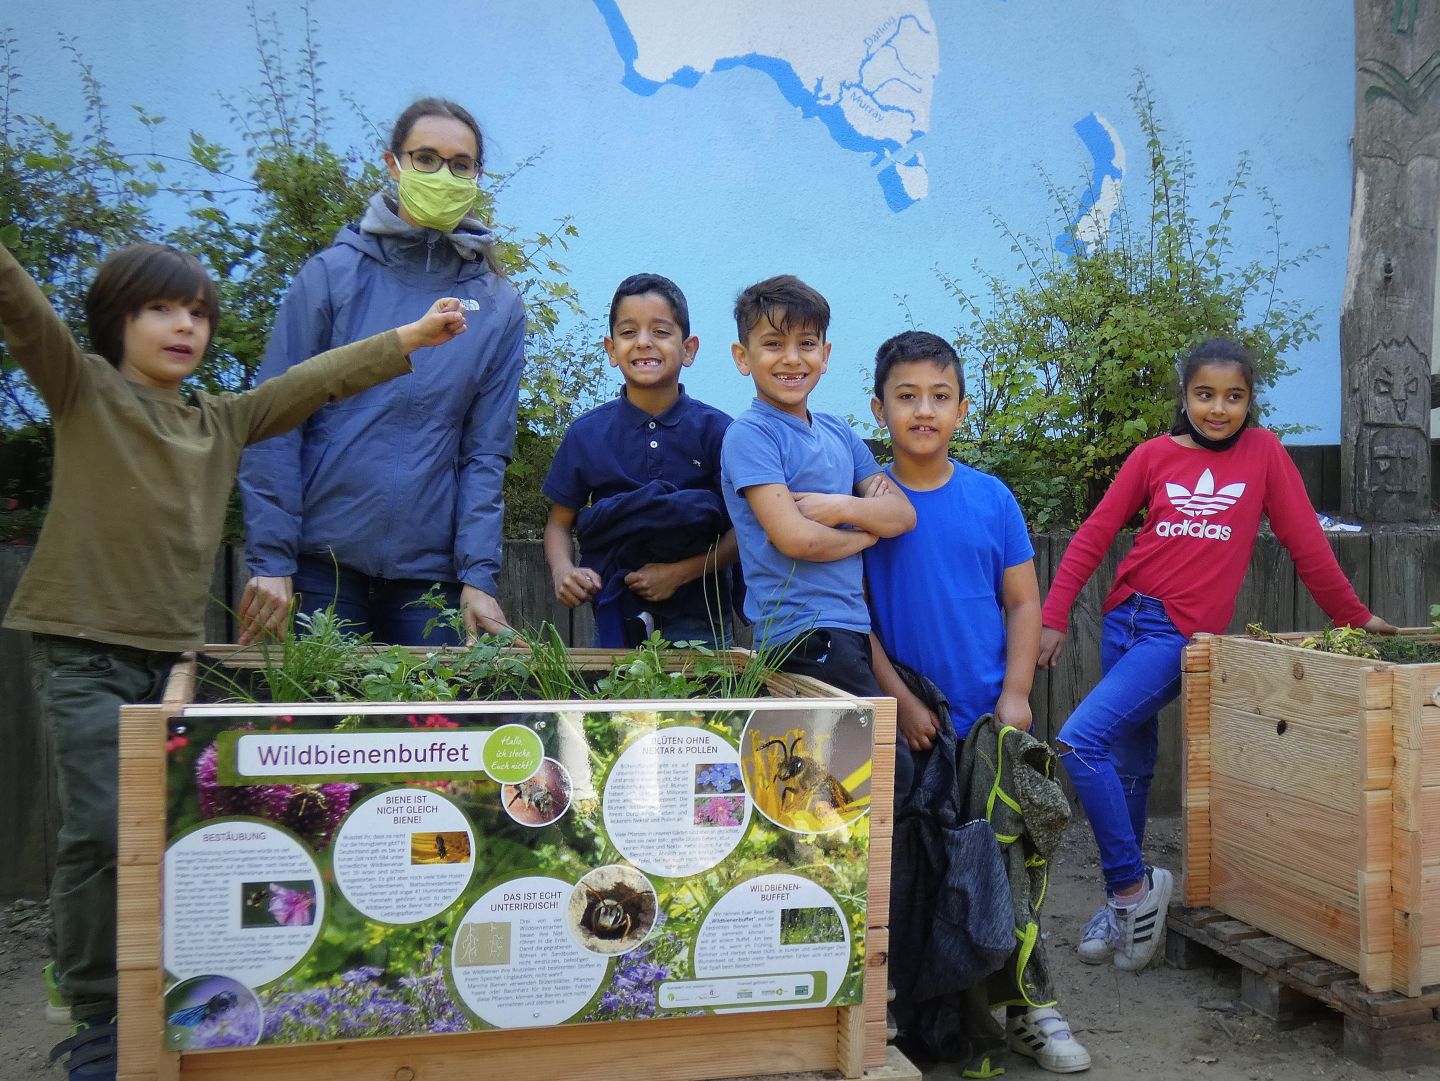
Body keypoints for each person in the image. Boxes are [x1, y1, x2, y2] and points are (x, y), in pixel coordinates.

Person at [0, 238, 466, 1080]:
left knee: (166, 834)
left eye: (197, 314)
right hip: (83, 649)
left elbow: (307, 383)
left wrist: (409, 339)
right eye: (159, 310)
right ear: (116, 322)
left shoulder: (218, 418)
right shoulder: (82, 388)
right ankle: (96, 1011)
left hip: (174, 660)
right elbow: (24, 311)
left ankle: (163, 980)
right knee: (99, 831)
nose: (183, 326)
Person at [1039, 337, 1398, 973]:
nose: (1218, 409)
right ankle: (1122, 908)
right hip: (1126, 620)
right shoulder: (1152, 456)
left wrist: (1355, 616)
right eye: (1205, 395)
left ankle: (1132, 887)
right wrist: (1054, 613)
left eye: (1234, 397)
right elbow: (1096, 533)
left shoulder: (1263, 455)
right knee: (1127, 768)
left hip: (1176, 634)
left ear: (1250, 401)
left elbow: (1304, 540)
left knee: (1079, 742)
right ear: (1185, 396)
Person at [865, 331, 1090, 1073]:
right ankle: (918, 1017)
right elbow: (854, 618)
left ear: (962, 409)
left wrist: (1017, 694)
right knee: (921, 879)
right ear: (879, 408)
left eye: (938, 396)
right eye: (906, 396)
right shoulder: (866, 503)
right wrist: (898, 700)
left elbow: (1024, 603)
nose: (922, 410)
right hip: (912, 731)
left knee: (1010, 870)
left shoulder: (992, 499)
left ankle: (1031, 1005)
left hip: (989, 727)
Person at [238, 96, 525, 646]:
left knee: (432, 733)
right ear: (393, 166)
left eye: (460, 164)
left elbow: (485, 452)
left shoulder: (499, 305)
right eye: (426, 158)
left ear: (477, 177)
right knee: (319, 732)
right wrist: (271, 558)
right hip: (318, 569)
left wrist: (478, 577)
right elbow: (271, 422)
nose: (443, 174)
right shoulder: (331, 275)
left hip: (431, 581)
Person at [719, 274, 914, 698]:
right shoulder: (751, 435)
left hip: (851, 630)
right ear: (742, 357)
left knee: (868, 760)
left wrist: (840, 508)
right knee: (878, 762)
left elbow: (902, 514)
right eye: (773, 344)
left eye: (806, 344)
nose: (792, 358)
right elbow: (798, 540)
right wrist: (867, 534)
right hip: (800, 636)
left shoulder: (838, 432)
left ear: (824, 355)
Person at [542, 273, 736, 648]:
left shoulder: (719, 432)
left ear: (689, 349)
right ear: (611, 350)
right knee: (616, 706)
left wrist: (680, 573)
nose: (644, 342)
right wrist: (563, 571)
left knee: (703, 709)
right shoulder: (586, 434)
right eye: (629, 332)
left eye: (661, 331)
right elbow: (558, 524)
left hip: (702, 620)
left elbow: (747, 530)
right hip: (615, 612)